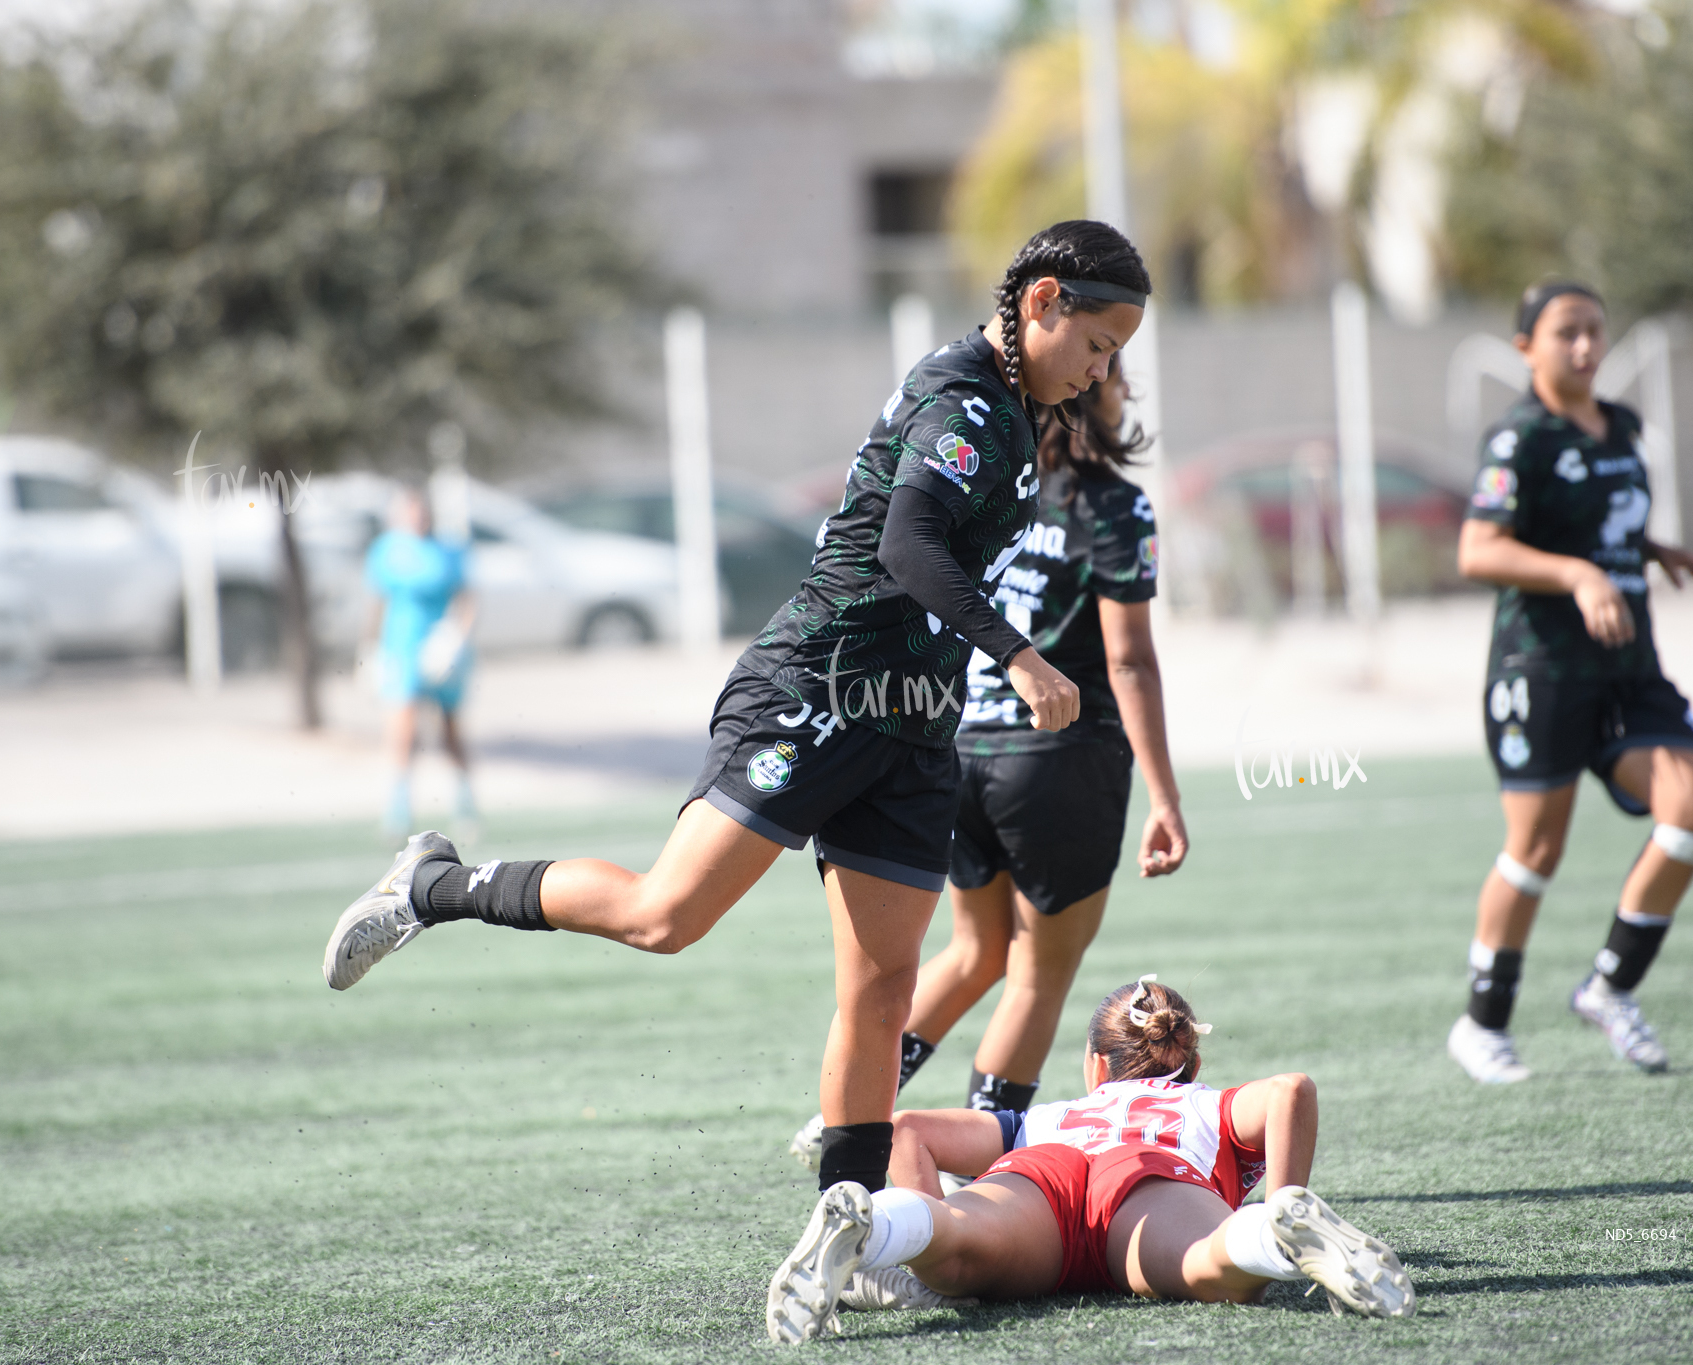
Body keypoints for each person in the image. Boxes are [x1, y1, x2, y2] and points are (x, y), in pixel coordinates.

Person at [322, 221, 1151, 1211]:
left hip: (915, 725)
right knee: (663, 915)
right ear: (1041, 303)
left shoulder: (1017, 407)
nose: (1101, 372)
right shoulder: (961, 393)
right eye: (1097, 346)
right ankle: (435, 885)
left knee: (884, 992)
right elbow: (908, 548)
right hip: (817, 690)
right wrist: (1017, 656)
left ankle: (852, 1228)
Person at [788, 351, 1186, 1166]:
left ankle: (849, 1114)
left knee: (976, 951)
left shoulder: (1005, 493)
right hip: (1059, 759)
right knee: (1036, 973)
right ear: (1093, 398)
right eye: (1111, 373)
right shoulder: (1112, 505)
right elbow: (1130, 662)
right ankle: (981, 1167)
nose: (1118, 388)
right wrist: (1166, 797)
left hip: (962, 749)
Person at [765, 977, 1414, 1343]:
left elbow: (908, 1128)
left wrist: (932, 1258)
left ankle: (884, 1228)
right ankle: (1279, 1234)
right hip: (1150, 1177)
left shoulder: (1052, 1112)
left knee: (957, 1247)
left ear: (1096, 1065)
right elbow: (1290, 1090)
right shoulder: (1203, 1103)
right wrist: (1282, 1193)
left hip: (1045, 1163)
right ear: (1189, 1062)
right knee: (1216, 1267)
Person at [1445, 279, 1693, 1085]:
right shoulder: (1519, 438)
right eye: (1567, 332)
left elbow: (1603, 526)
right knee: (1535, 849)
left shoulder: (1622, 426)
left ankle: (1609, 986)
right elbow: (1478, 550)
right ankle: (1482, 1023)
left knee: (1692, 812)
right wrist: (1578, 574)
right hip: (1544, 669)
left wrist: (1650, 552)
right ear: (1527, 346)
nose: (1586, 346)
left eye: (1596, 329)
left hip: (1630, 668)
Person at [363, 486, 476, 838]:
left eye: (422, 512)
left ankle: (465, 805)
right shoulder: (386, 551)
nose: (418, 518)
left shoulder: (447, 550)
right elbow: (378, 601)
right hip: (402, 647)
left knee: (449, 728)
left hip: (439, 649)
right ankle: (398, 811)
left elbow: (467, 599)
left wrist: (454, 638)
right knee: (403, 729)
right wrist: (370, 647)